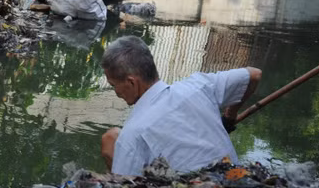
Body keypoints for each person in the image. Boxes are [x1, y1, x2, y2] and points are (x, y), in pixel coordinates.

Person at [100, 35, 261, 176]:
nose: (116, 92)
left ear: (131, 82)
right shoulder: (198, 85)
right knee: (112, 138)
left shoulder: (133, 133)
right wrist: (229, 117)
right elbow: (254, 75)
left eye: (114, 85)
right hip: (239, 181)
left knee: (112, 142)